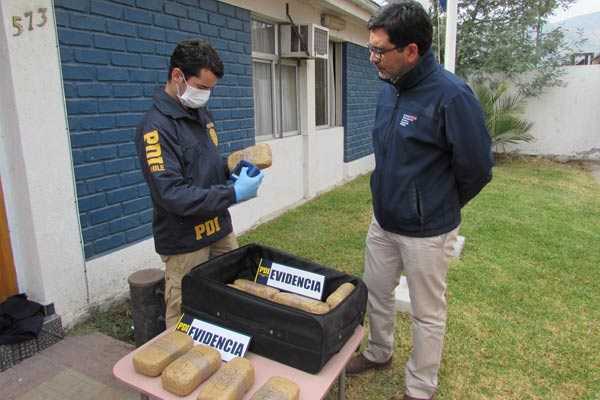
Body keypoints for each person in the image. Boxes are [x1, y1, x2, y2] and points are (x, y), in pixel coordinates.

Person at [346, 2, 494, 400]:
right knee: (375, 292)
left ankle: (420, 387)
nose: (373, 57)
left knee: (427, 313)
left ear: (411, 51)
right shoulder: (388, 90)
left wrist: (435, 205)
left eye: (380, 50)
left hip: (428, 231)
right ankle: (379, 353)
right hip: (384, 222)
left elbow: (478, 168)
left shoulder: (452, 95)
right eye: (371, 48)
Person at [135, 40, 264, 328]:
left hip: (218, 227)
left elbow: (206, 166)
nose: (206, 95)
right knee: (184, 308)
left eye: (210, 89)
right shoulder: (155, 128)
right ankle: (175, 364)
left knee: (232, 289)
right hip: (184, 239)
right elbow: (172, 195)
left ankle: (219, 353)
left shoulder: (201, 115)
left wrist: (233, 172)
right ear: (178, 76)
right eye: (202, 87)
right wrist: (232, 192)